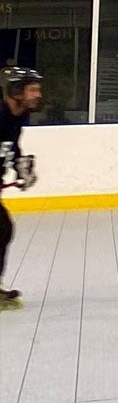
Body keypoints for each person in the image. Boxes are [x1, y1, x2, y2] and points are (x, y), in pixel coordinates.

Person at [0, 67, 42, 307]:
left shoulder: (19, 115)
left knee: (3, 229)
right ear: (17, 91)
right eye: (32, 89)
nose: (38, 94)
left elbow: (10, 145)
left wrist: (19, 166)